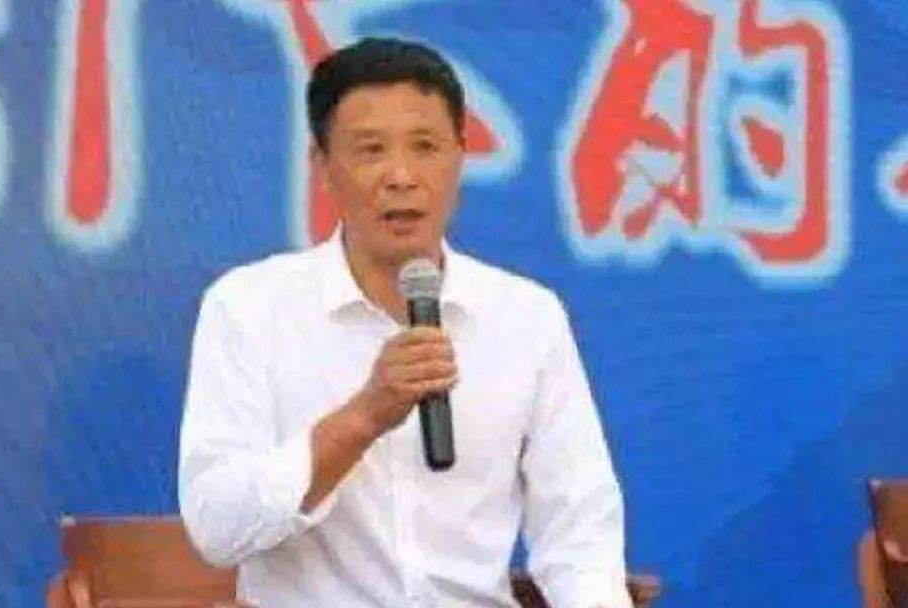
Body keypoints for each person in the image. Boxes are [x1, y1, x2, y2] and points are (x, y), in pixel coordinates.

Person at [178, 37, 632, 608]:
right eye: (371, 150)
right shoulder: (248, 307)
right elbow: (217, 527)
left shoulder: (527, 318)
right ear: (322, 166)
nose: (401, 176)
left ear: (460, 158)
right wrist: (362, 418)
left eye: (425, 147)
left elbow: (579, 532)